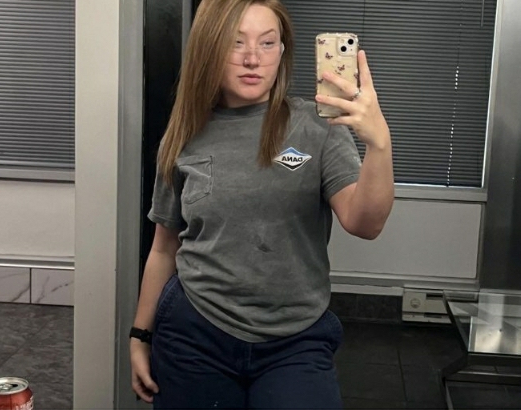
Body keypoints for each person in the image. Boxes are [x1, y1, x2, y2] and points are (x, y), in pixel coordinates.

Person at [129, 0, 394, 408]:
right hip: (195, 332)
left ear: (282, 51)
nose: (253, 58)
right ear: (209, 48)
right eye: (236, 43)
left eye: (268, 43)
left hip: (296, 340)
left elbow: (365, 223)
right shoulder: (183, 136)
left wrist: (379, 145)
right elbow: (164, 247)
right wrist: (140, 336)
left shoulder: (316, 126)